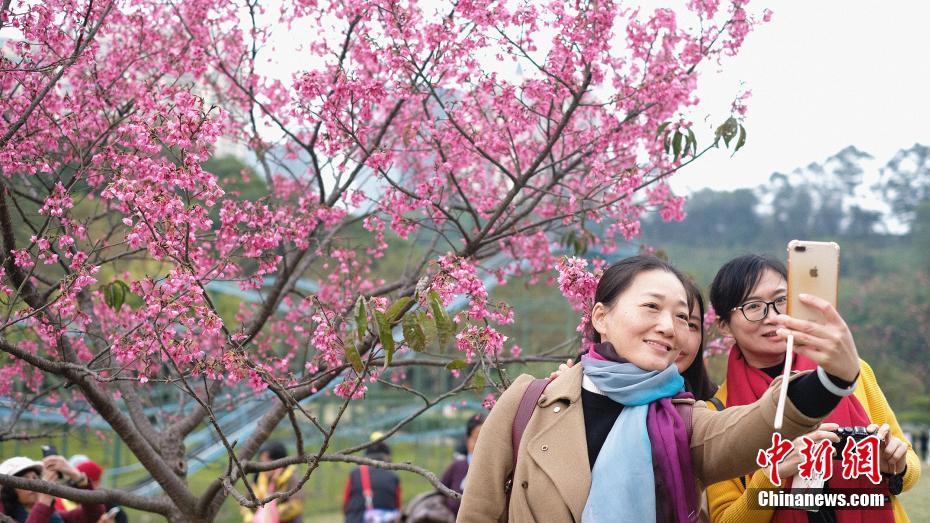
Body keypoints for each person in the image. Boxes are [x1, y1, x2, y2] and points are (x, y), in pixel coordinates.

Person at [458, 255, 863, 523]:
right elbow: (478, 513)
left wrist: (831, 379)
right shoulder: (529, 403)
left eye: (683, 317)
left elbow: (756, 426)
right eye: (652, 307)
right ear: (601, 317)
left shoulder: (683, 419)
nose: (670, 327)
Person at [705, 254, 920, 522]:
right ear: (724, 325)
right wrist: (773, 474)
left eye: (781, 300)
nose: (773, 316)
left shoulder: (848, 373)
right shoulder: (718, 411)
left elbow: (910, 466)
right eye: (753, 306)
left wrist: (896, 466)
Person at [0, 455, 104, 523]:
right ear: (9, 490)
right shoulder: (4, 518)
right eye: (25, 480)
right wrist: (44, 501)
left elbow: (93, 514)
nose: (33, 484)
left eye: (35, 478)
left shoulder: (54, 516)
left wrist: (76, 476)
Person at [239, 441, 304, 523]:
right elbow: (245, 504)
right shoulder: (258, 478)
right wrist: (252, 518)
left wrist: (271, 514)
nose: (265, 466)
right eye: (262, 462)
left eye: (268, 462)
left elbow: (296, 505)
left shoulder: (290, 477)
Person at [343, 440, 402, 523]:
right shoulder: (393, 476)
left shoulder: (355, 474)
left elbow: (346, 502)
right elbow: (398, 505)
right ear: (387, 457)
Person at [439, 413, 484, 516]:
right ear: (467, 439)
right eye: (476, 439)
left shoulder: (496, 471)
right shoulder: (457, 467)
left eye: (485, 441)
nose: (480, 447)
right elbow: (440, 491)